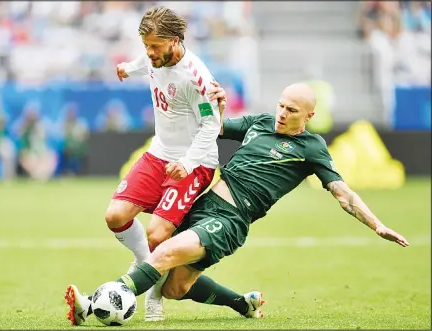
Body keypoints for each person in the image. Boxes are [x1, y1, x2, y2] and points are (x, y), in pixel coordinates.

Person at [65, 82, 409, 324]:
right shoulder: (259, 123)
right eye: (281, 105)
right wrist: (212, 102)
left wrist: (376, 223)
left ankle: (96, 303)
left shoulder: (312, 148)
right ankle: (242, 303)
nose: (282, 113)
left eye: (291, 110)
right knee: (174, 287)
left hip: (231, 221)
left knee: (164, 253)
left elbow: (343, 193)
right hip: (205, 204)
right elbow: (210, 127)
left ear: (309, 115)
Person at [72, 5, 223, 323]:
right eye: (146, 46)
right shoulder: (153, 56)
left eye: (155, 45)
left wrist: (188, 162)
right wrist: (129, 67)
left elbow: (211, 126)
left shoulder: (197, 78)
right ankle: (147, 266)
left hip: (194, 163)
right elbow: (147, 64)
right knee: (115, 216)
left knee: (158, 235)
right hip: (158, 154)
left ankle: (153, 295)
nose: (150, 52)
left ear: (175, 40)